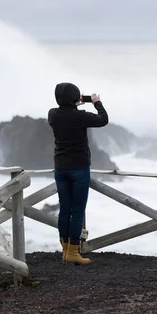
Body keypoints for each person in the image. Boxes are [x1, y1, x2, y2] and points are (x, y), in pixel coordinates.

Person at [48, 82, 109, 264]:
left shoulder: (52, 114)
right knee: (78, 210)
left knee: (64, 209)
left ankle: (65, 249)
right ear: (75, 98)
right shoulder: (79, 117)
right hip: (79, 168)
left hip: (60, 168)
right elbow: (103, 119)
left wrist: (72, 104)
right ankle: (73, 252)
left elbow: (66, 113)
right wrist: (96, 102)